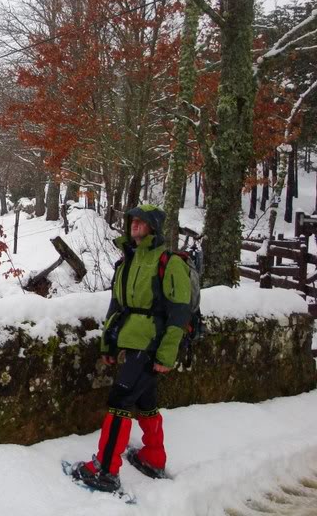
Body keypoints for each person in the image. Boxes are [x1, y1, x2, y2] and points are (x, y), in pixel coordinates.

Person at [71, 204, 191, 492]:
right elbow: (118, 306)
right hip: (130, 339)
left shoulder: (169, 261)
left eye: (142, 221)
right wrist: (109, 344)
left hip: (150, 344)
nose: (135, 225)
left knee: (120, 401)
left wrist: (166, 354)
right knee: (145, 401)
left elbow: (180, 312)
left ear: (154, 227)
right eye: (133, 220)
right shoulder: (127, 260)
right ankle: (152, 457)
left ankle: (105, 469)